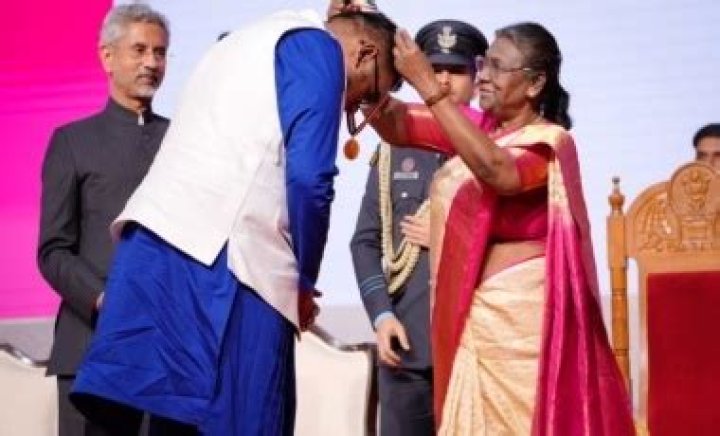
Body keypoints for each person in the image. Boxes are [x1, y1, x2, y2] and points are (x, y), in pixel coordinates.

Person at [70, 8, 401, 435]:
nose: (358, 108)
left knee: (171, 424)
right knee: (246, 420)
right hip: (223, 267)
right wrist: (304, 282)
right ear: (364, 52)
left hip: (150, 256)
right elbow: (309, 178)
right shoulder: (319, 48)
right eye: (371, 93)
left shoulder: (241, 42)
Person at [372, 22, 635, 435]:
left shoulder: (550, 142)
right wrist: (372, 48)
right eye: (482, 64)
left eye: (497, 66)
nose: (483, 76)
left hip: (522, 340)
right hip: (474, 325)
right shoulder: (476, 131)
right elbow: (397, 123)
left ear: (535, 83)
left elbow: (500, 172)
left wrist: (430, 87)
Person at [37, 4, 170, 435]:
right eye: (139, 50)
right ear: (107, 57)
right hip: (91, 348)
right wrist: (102, 298)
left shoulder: (182, 141)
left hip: (168, 355)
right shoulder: (73, 142)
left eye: (160, 52)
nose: (151, 62)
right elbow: (53, 250)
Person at [350, 19, 487, 436]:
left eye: (456, 71)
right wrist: (381, 316)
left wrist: (449, 237)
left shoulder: (493, 150)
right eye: (433, 69)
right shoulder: (394, 147)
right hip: (406, 342)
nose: (442, 81)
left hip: (474, 345)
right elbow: (365, 241)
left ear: (477, 76)